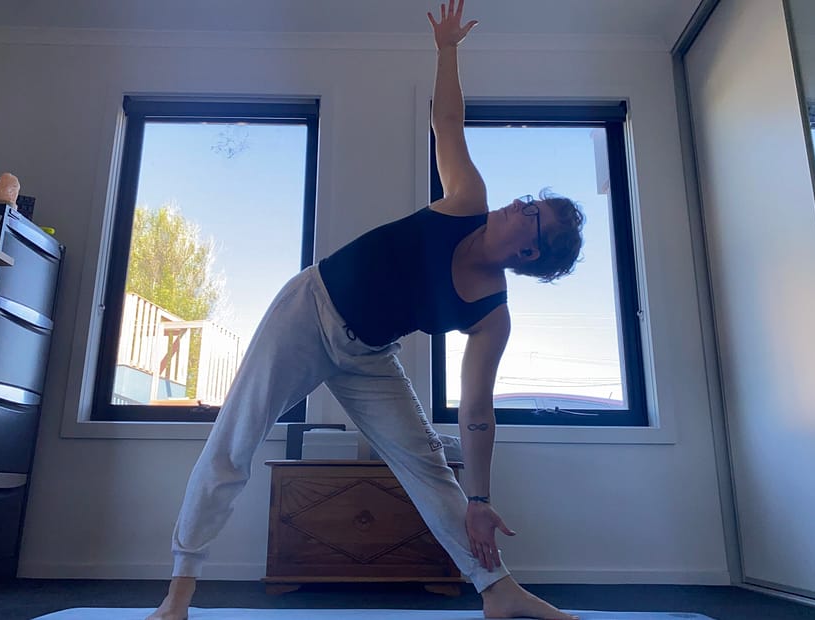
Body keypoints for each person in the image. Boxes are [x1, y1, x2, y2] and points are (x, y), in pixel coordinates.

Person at [148, 1, 583, 619]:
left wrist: (481, 497)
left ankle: (499, 594)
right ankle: (178, 595)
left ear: (533, 249)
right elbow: (449, 126)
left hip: (367, 354)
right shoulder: (467, 200)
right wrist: (448, 51)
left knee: (428, 464)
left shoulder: (492, 313)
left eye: (535, 213)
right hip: (309, 310)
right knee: (234, 442)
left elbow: (478, 411)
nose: (521, 204)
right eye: (532, 200)